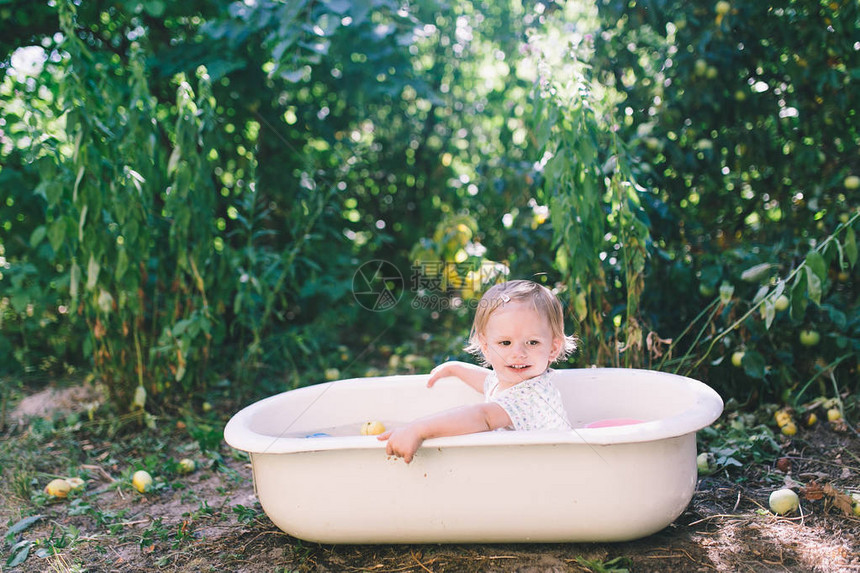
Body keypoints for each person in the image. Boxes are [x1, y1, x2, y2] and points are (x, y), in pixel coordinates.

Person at [378, 279, 577, 463]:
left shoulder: (533, 396)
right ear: (486, 347)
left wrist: (419, 429)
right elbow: (487, 382)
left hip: (550, 468)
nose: (518, 353)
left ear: (553, 348)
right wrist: (457, 369)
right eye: (505, 343)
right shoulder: (510, 381)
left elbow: (482, 416)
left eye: (532, 342)